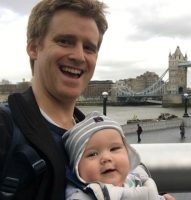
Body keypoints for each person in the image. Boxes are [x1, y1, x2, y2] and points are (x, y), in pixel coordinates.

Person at [0, 0, 108, 199]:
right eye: (65, 41)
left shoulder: (97, 135)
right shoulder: (5, 128)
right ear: (34, 48)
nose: (79, 56)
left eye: (89, 48)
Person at [63, 111, 171, 199]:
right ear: (76, 167)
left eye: (114, 148)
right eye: (92, 154)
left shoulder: (136, 180)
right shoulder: (81, 196)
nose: (106, 158)